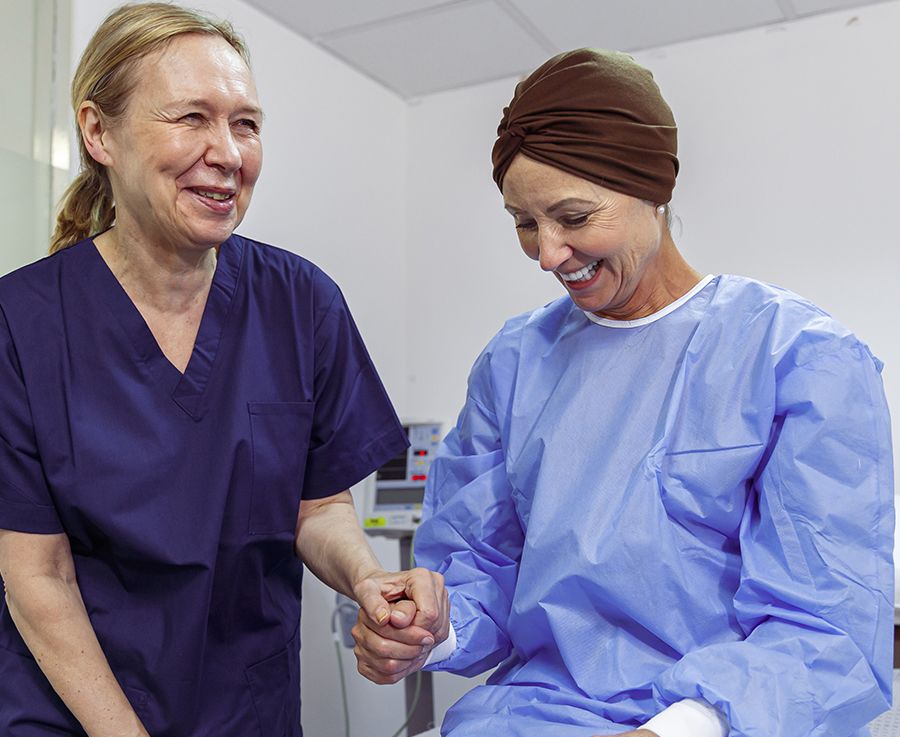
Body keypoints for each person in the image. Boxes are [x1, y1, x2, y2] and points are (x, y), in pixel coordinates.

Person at [352, 48, 894, 737]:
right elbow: (481, 567)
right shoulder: (516, 364)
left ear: (654, 189)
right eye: (525, 223)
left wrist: (677, 727)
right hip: (530, 715)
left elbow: (827, 626)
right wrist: (433, 624)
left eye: (574, 218)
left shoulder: (799, 359)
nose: (548, 254)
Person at [0, 4, 446, 736]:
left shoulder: (302, 303)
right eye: (191, 118)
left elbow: (319, 508)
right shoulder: (20, 324)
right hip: (75, 713)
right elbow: (35, 574)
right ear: (98, 131)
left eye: (245, 124)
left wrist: (368, 578)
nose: (228, 151)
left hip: (247, 711)